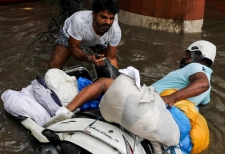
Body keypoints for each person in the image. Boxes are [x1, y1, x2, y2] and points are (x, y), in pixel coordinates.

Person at [46, 40, 216, 125]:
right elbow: (203, 103)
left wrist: (171, 98)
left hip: (150, 101)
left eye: (187, 54)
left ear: (196, 55)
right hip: (165, 118)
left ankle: (65, 111)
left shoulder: (195, 69)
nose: (184, 58)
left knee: (105, 82)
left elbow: (202, 84)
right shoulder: (207, 84)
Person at [48, 0, 121, 70]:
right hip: (71, 37)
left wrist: (115, 78)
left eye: (111, 18)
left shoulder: (115, 31)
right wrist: (89, 58)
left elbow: (112, 58)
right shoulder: (79, 21)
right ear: (94, 14)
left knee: (107, 65)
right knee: (54, 66)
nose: (108, 22)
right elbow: (73, 48)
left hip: (98, 41)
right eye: (103, 17)